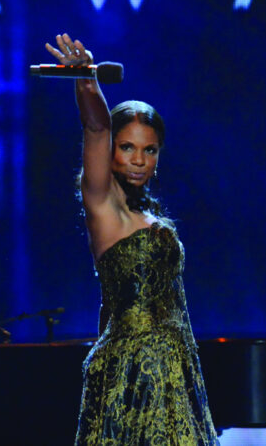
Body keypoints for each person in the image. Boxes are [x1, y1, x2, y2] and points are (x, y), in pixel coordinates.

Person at [43, 33, 218, 445]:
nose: (139, 159)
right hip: (131, 372)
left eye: (149, 150)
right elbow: (96, 125)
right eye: (127, 147)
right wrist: (86, 81)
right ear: (111, 152)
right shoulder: (103, 204)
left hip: (174, 372)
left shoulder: (151, 217)